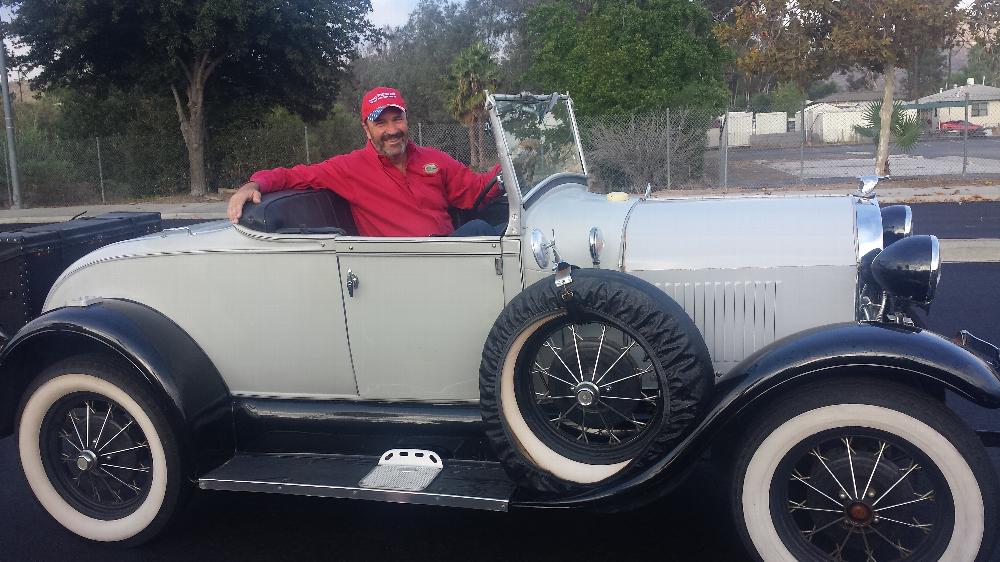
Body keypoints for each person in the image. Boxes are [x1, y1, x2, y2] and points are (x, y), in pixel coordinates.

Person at [227, 86, 503, 237]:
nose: (392, 130)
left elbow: (476, 190)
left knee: (517, 233)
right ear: (366, 129)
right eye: (381, 122)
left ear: (407, 120)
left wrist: (511, 169)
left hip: (455, 256)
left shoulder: (435, 159)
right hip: (401, 268)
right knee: (480, 230)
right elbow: (295, 175)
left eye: (397, 119)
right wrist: (253, 184)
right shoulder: (349, 168)